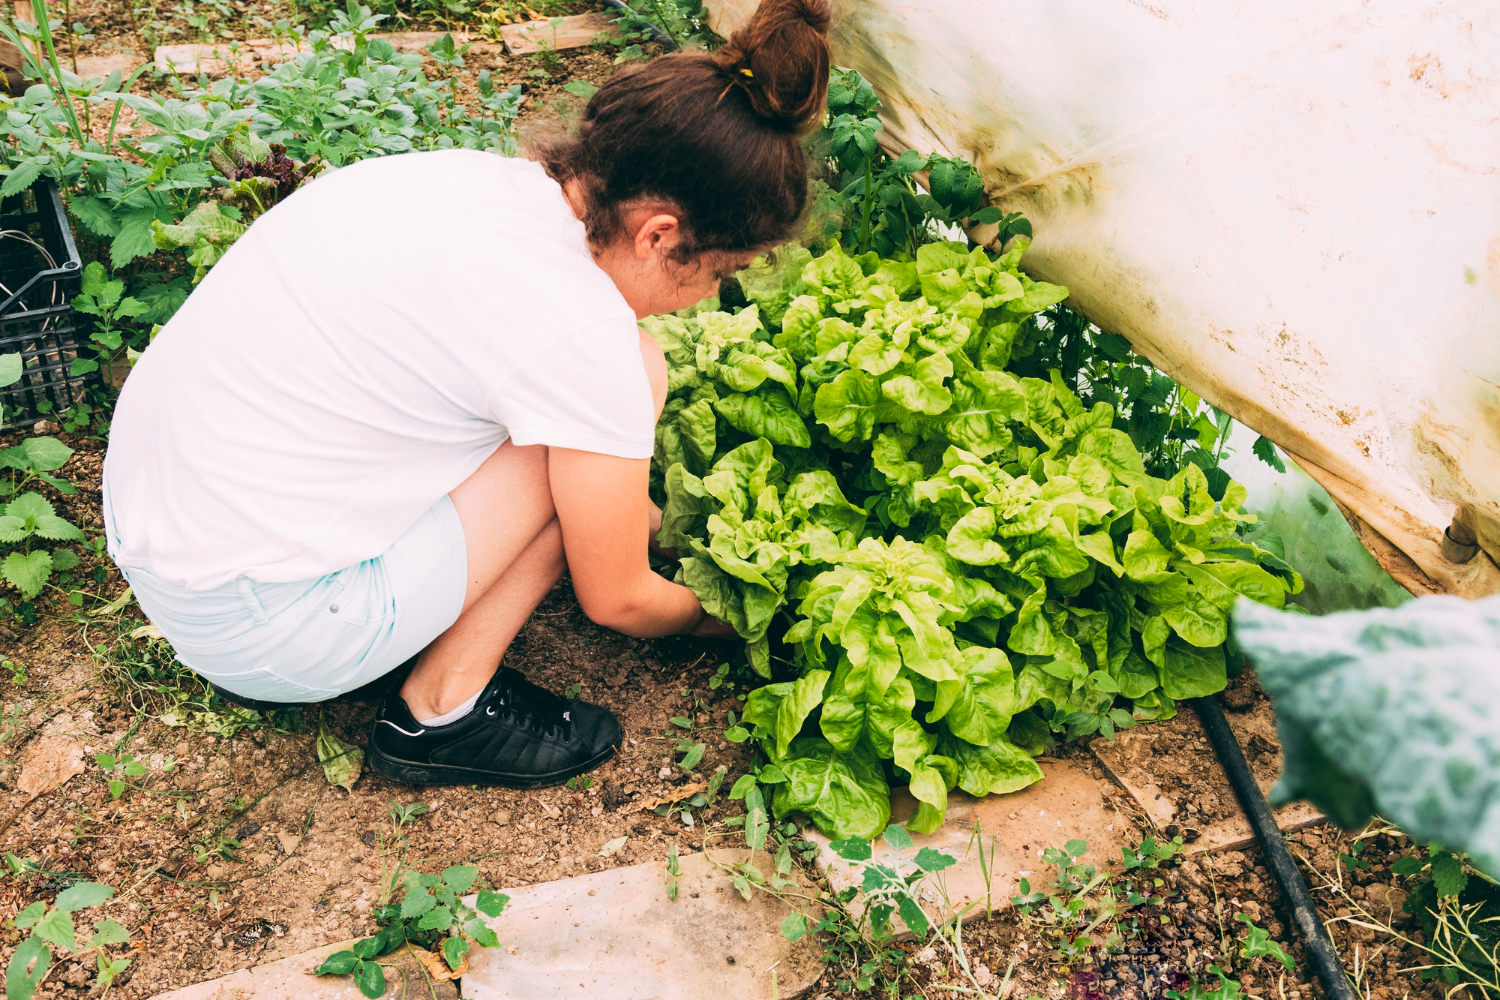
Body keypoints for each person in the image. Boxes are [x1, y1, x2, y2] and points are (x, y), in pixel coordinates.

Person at [100, 0, 833, 788]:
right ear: (657, 234)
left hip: (166, 549)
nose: (710, 296)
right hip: (274, 632)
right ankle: (443, 709)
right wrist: (730, 616)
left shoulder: (471, 184)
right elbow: (618, 600)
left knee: (601, 414)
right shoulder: (580, 337)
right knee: (625, 385)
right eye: (718, 272)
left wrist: (646, 522)